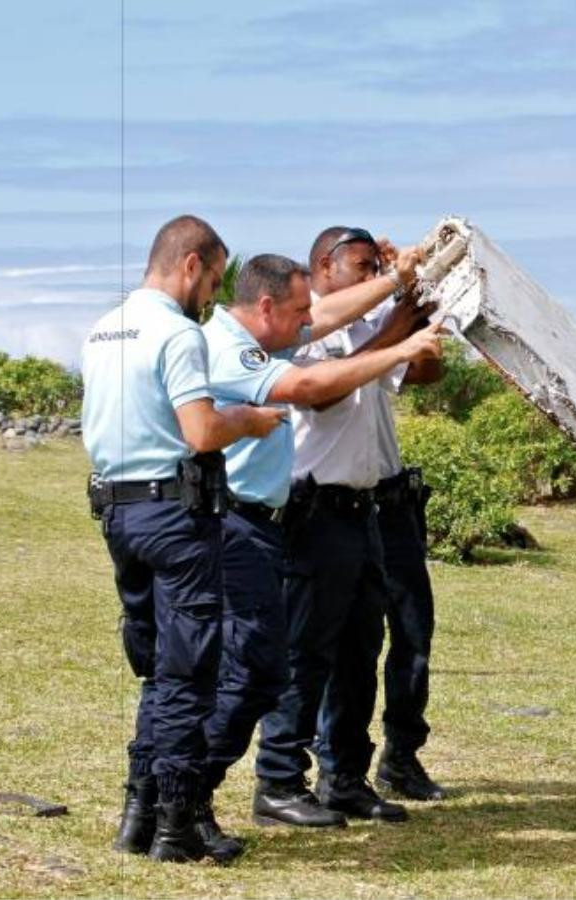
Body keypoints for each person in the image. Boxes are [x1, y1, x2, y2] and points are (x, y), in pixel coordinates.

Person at [196, 251, 441, 843]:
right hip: (309, 513)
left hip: (367, 511)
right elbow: (315, 390)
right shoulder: (260, 342)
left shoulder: (304, 324)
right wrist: (400, 335)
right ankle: (279, 779)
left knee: (362, 649)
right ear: (323, 267)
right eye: (361, 265)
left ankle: (345, 776)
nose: (368, 276)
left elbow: (340, 324)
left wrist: (402, 292)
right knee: (302, 655)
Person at [80, 215, 284, 863]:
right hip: (175, 514)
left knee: (158, 671)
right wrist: (248, 422)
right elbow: (199, 432)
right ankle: (175, 826)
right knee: (189, 674)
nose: (213, 296)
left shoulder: (102, 328)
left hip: (118, 513)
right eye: (215, 279)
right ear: (191, 263)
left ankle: (138, 816)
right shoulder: (176, 332)